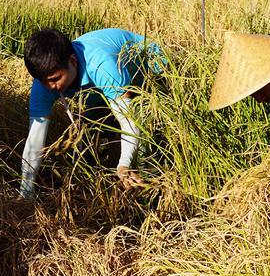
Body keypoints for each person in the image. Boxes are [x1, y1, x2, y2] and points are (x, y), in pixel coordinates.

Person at [19, 27, 163, 199]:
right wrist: (26, 193)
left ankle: (152, 191)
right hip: (100, 90)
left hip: (152, 72)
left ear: (72, 61)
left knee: (146, 145)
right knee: (92, 137)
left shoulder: (102, 65)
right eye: (43, 82)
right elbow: (34, 140)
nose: (50, 87)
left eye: (55, 79)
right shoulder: (44, 84)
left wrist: (124, 165)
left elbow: (130, 121)